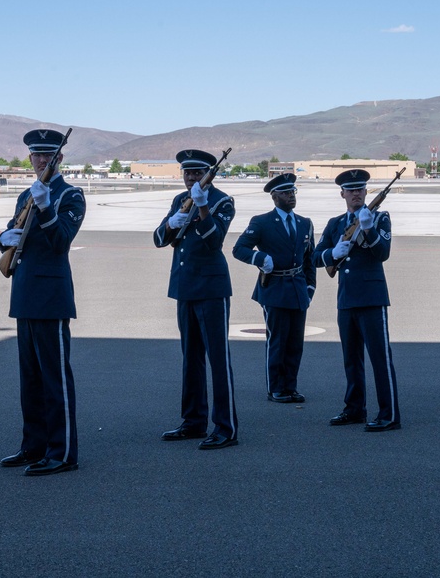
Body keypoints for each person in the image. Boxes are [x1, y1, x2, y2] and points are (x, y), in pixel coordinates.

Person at [0, 129, 85, 475]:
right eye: (36, 156)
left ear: (59, 159)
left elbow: (60, 241)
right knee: (30, 378)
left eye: (48, 155)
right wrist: (2, 237)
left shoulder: (70, 196)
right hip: (25, 293)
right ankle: (33, 445)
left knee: (55, 378)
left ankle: (62, 452)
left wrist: (46, 207)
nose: (41, 161)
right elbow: (11, 233)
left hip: (51, 296)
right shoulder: (24, 195)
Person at [153, 149, 239, 450]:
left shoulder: (222, 201)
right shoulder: (179, 200)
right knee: (191, 359)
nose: (191, 178)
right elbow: (158, 239)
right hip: (185, 287)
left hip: (212, 288)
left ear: (207, 174)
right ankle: (193, 422)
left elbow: (215, 242)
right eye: (186, 173)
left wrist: (202, 210)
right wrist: (171, 224)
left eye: (196, 173)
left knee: (218, 359)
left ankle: (225, 428)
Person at [313, 169, 400, 431]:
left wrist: (368, 228)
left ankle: (389, 414)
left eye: (360, 189)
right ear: (342, 194)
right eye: (350, 190)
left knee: (380, 358)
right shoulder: (335, 223)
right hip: (347, 299)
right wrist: (333, 253)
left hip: (372, 298)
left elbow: (382, 253)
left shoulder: (380, 218)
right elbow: (316, 258)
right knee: (351, 359)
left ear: (366, 192)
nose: (355, 194)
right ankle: (354, 409)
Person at [232, 173, 316, 403]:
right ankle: (276, 388)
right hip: (274, 287)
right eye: (286, 193)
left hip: (298, 289)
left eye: (293, 192)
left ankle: (291, 386)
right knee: (277, 340)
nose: (291, 196)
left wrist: (310, 288)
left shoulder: (304, 223)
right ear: (274, 196)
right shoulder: (262, 222)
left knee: (295, 342)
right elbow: (239, 249)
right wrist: (259, 258)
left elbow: (310, 259)